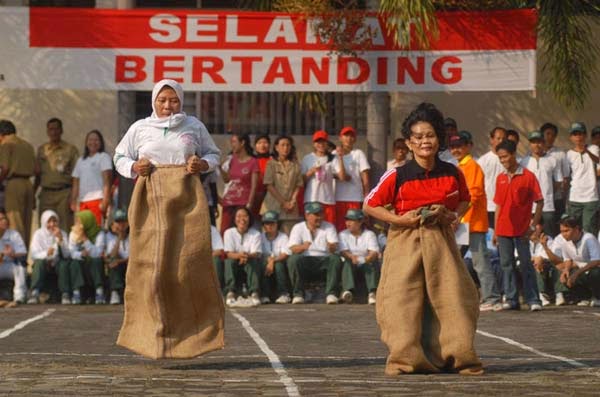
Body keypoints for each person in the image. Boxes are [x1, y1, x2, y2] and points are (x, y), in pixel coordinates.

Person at [363, 102, 482, 375]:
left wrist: (453, 217)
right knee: (402, 302)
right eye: (417, 137)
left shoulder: (452, 172)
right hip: (405, 241)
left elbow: (465, 199)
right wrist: (398, 220)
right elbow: (370, 205)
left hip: (441, 242)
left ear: (438, 138)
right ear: (409, 142)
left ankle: (457, 356)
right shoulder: (397, 174)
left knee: (453, 299)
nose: (424, 141)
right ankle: (406, 359)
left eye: (429, 135)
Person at [113, 79, 224, 359]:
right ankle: (147, 338)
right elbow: (118, 156)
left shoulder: (194, 125)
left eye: (173, 100)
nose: (167, 105)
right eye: (162, 100)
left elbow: (214, 154)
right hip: (149, 198)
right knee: (149, 269)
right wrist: (134, 167)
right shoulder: (140, 128)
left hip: (187, 199)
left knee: (187, 265)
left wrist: (202, 164)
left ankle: (192, 340)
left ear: (181, 101)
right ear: (153, 101)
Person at [449, 131, 502, 311]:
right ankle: (460, 296)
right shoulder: (461, 167)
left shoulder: (471, 166)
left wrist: (458, 217)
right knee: (455, 260)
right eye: (453, 147)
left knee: (479, 262)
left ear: (468, 146)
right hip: (463, 222)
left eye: (459, 146)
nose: (456, 150)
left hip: (470, 222)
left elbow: (473, 195)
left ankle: (492, 298)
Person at [493, 139, 544, 311]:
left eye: (505, 157)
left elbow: (540, 202)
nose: (503, 161)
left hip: (522, 229)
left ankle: (533, 299)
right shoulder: (500, 178)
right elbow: (498, 205)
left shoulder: (528, 176)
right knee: (506, 264)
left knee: (525, 263)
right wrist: (495, 230)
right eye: (500, 158)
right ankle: (512, 299)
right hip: (503, 229)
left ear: (514, 154)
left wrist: (533, 225)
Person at [287, 202, 343, 304]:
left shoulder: (329, 226)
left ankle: (331, 294)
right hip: (305, 259)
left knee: (335, 259)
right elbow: (293, 248)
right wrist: (303, 247)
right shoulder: (298, 227)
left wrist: (331, 247)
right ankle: (298, 294)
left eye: (321, 214)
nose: (320, 217)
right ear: (307, 215)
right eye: (316, 215)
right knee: (293, 259)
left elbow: (333, 246)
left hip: (323, 259)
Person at [34, 118, 80, 231]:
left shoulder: (70, 149)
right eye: (50, 129)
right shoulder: (42, 150)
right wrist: (32, 195)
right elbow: (38, 175)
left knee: (65, 227)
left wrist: (73, 198)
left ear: (61, 130)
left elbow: (76, 176)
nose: (53, 132)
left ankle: (63, 249)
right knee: (45, 227)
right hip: (46, 194)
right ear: (47, 131)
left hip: (64, 194)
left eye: (56, 129)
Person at [547, 216, 600, 307]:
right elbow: (568, 259)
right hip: (581, 271)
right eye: (562, 231)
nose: (563, 234)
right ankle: (585, 297)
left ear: (576, 229)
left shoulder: (589, 238)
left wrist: (577, 273)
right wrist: (566, 271)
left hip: (592, 269)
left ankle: (597, 297)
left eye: (566, 231)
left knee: (595, 273)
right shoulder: (564, 241)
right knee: (564, 273)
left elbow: (596, 261)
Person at [520, 131, 563, 237]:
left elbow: (558, 181)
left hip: (548, 206)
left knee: (549, 236)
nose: (536, 145)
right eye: (533, 142)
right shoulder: (524, 162)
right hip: (530, 207)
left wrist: (548, 193)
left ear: (543, 143)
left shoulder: (552, 160)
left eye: (539, 142)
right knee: (530, 236)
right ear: (530, 144)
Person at [0, 120, 35, 246]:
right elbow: (36, 170)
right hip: (28, 184)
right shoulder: (28, 145)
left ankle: (17, 258)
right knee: (26, 223)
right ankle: (24, 257)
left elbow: (5, 168)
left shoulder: (6, 144)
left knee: (14, 222)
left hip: (13, 184)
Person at [28, 209, 71, 304]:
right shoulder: (38, 234)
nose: (52, 224)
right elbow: (34, 254)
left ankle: (65, 293)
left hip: (57, 263)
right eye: (49, 221)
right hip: (44, 263)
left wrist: (60, 240)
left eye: (54, 221)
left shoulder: (62, 234)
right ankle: (34, 292)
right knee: (39, 263)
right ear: (44, 222)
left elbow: (67, 254)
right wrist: (46, 254)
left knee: (64, 264)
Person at [70, 130, 113, 226]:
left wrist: (105, 201)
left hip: (97, 200)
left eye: (96, 140)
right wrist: (73, 200)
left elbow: (107, 181)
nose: (93, 142)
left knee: (95, 231)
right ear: (86, 142)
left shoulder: (103, 157)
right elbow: (76, 183)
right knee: (83, 232)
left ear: (101, 142)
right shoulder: (81, 160)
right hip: (82, 201)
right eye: (90, 140)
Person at [262, 135, 303, 234]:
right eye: (282, 145)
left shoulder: (295, 164)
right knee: (270, 236)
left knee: (289, 237)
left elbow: (298, 184)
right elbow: (269, 185)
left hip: (291, 209)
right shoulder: (271, 164)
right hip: (272, 206)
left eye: (288, 145)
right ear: (276, 147)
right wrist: (284, 203)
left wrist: (293, 200)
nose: (285, 148)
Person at [338, 209, 380, 305]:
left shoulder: (369, 234)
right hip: (350, 262)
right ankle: (348, 291)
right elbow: (343, 251)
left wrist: (365, 259)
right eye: (347, 220)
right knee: (347, 262)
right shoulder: (343, 234)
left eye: (351, 220)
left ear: (360, 222)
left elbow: (373, 252)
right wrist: (352, 257)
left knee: (372, 262)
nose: (348, 223)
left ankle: (372, 293)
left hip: (365, 262)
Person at [223, 207, 263, 307]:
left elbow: (256, 253)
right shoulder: (229, 233)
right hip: (235, 261)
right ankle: (230, 292)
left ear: (249, 218)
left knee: (253, 261)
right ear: (234, 219)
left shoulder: (256, 233)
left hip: (249, 260)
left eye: (245, 216)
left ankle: (254, 293)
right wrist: (239, 255)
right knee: (229, 261)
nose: (242, 219)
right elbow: (228, 253)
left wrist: (245, 256)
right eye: (239, 216)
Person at [220, 133, 259, 234]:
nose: (232, 145)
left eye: (234, 142)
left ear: (242, 143)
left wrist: (249, 203)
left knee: (241, 230)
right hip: (229, 202)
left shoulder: (253, 162)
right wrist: (220, 167)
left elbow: (254, 186)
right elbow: (227, 180)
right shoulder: (231, 160)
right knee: (225, 231)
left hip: (242, 203)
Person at [333, 126, 371, 232]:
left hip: (355, 197)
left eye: (351, 136)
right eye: (346, 135)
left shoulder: (358, 153)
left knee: (356, 229)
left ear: (354, 139)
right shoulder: (333, 155)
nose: (348, 138)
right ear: (340, 138)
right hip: (338, 198)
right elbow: (336, 175)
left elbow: (365, 176)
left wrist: (367, 197)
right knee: (341, 229)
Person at [566, 122, 600, 236]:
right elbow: (568, 176)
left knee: (589, 229)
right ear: (571, 137)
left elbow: (597, 160)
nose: (578, 137)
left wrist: (586, 151)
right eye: (575, 134)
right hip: (575, 197)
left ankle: (592, 253)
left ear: (585, 136)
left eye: (581, 134)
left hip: (591, 197)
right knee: (574, 229)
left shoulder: (593, 148)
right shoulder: (569, 154)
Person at [300, 131, 340, 226]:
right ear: (314, 144)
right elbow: (301, 180)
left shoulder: (333, 158)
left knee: (329, 227)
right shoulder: (307, 158)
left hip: (327, 199)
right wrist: (311, 171)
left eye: (323, 142)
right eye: (318, 142)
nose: (321, 145)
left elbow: (341, 176)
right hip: (311, 198)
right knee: (311, 226)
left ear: (327, 143)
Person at [68, 210, 106, 304]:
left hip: (93, 264)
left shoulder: (99, 233)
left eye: (80, 222)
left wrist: (85, 239)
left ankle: (99, 291)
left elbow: (97, 253)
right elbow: (72, 252)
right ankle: (77, 292)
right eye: (77, 222)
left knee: (97, 261)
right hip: (82, 263)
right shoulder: (73, 233)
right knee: (74, 263)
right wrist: (81, 254)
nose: (78, 224)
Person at [477, 127, 507, 229]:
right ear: (491, 139)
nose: (501, 141)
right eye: (498, 138)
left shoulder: (509, 160)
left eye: (503, 139)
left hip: (505, 207)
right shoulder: (483, 161)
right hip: (488, 207)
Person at [260, 211, 291, 304]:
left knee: (279, 265)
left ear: (277, 224)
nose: (269, 226)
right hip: (265, 262)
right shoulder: (259, 237)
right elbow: (259, 253)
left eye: (272, 223)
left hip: (279, 262)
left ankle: (284, 293)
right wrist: (269, 261)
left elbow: (284, 254)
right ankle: (264, 295)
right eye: (266, 223)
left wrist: (272, 261)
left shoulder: (283, 237)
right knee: (263, 264)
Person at [541, 122, 569, 220]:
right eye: (548, 134)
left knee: (557, 226)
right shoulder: (533, 154)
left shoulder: (561, 153)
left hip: (557, 198)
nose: (550, 137)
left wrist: (564, 197)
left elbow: (566, 177)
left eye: (553, 135)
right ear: (542, 135)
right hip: (540, 198)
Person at [0, 208, 27, 304]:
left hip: (10, 265)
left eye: (4, 218)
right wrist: (2, 254)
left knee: (20, 267)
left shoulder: (14, 234)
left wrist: (13, 254)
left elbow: (23, 253)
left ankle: (19, 297)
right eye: (1, 219)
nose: (4, 221)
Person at [104, 208, 129, 305]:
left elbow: (134, 256)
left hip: (129, 264)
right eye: (118, 222)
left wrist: (120, 261)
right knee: (113, 262)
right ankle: (115, 292)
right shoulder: (109, 236)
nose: (121, 225)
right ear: (113, 224)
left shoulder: (132, 236)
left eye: (123, 222)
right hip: (118, 265)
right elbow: (111, 256)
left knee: (117, 262)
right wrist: (119, 237)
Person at [253, 133, 271, 219]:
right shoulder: (252, 160)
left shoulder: (273, 160)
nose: (262, 145)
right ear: (255, 146)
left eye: (265, 142)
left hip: (270, 196)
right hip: (254, 196)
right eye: (259, 143)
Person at [211, 223, 225, 291]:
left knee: (216, 260)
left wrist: (204, 258)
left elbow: (219, 250)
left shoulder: (212, 229)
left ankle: (217, 289)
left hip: (208, 258)